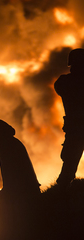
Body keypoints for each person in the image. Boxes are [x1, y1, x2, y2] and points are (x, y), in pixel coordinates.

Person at [0, 119, 41, 240]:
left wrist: (4, 194)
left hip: (25, 196)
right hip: (22, 193)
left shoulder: (9, 148)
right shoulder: (10, 145)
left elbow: (17, 181)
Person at [54, 48, 84, 187]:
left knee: (69, 164)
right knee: (69, 163)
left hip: (75, 129)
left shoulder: (65, 82)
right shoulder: (67, 82)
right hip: (75, 128)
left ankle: (63, 190)